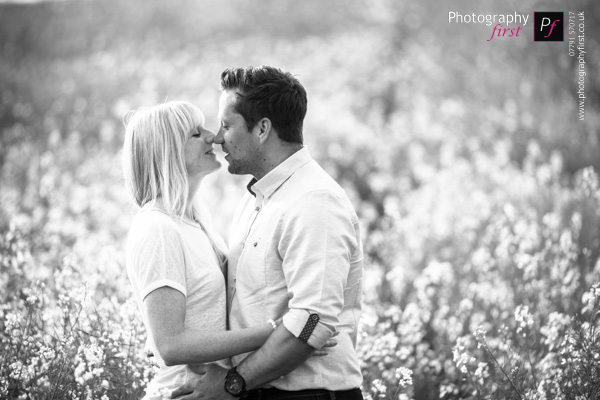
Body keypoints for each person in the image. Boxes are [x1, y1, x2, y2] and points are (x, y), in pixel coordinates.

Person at [172, 66, 364, 400]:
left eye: (227, 125)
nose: (217, 138)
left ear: (262, 129)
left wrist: (233, 384)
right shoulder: (257, 199)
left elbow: (312, 321)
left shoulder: (314, 203)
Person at [122, 101, 282, 399]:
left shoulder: (194, 219)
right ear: (167, 153)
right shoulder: (158, 228)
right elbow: (170, 345)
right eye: (195, 134)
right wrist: (272, 332)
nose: (213, 136)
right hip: (181, 392)